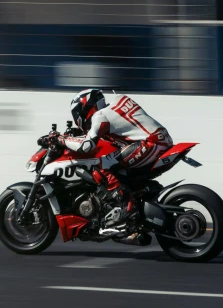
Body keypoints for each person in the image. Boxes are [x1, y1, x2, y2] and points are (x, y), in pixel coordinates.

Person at [58, 88, 173, 228]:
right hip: (159, 140)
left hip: (151, 143)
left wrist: (62, 139)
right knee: (115, 163)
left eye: (77, 113)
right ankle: (136, 196)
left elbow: (86, 146)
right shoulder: (113, 108)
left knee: (103, 164)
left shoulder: (100, 115)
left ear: (85, 106)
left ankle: (126, 206)